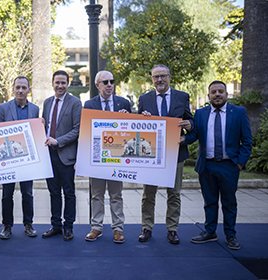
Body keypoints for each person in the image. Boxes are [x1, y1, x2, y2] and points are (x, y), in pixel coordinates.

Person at [181, 81, 252, 250]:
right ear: (209, 96)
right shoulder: (200, 113)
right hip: (207, 166)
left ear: (226, 94)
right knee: (210, 201)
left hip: (230, 165)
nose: (217, 94)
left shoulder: (239, 112)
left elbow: (247, 141)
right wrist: (183, 139)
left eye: (221, 91)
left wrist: (240, 164)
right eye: (214, 92)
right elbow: (195, 135)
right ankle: (210, 232)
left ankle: (230, 234)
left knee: (229, 202)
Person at [137, 64, 193, 244]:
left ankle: (172, 230)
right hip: (151, 155)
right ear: (152, 79)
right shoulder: (144, 99)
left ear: (169, 77)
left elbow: (191, 120)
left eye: (162, 76)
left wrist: (188, 129)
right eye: (155, 77)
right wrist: (142, 118)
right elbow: (137, 127)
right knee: (148, 195)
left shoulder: (182, 97)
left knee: (174, 194)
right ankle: (147, 227)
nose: (159, 80)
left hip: (175, 153)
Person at [83, 70, 131, 244]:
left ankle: (118, 229)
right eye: (106, 82)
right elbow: (85, 131)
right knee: (96, 195)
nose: (110, 85)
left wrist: (128, 119)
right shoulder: (89, 105)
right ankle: (96, 227)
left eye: (112, 81)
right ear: (97, 85)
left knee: (116, 195)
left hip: (117, 158)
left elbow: (132, 132)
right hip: (97, 158)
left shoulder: (124, 103)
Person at [0, 77, 39, 239]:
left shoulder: (35, 109)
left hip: (26, 160)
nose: (20, 90)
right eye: (18, 87)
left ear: (29, 89)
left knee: (27, 194)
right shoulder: (3, 108)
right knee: (7, 194)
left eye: (24, 87)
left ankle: (28, 224)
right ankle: (7, 225)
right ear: (13, 89)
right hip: (8, 160)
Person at [42, 70, 82, 241]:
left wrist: (58, 141)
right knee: (53, 193)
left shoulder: (75, 103)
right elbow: (45, 126)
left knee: (69, 192)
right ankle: (56, 225)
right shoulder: (47, 102)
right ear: (52, 83)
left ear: (68, 84)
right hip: (49, 155)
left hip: (66, 155)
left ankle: (68, 227)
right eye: (57, 82)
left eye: (63, 83)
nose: (60, 86)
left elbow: (77, 129)